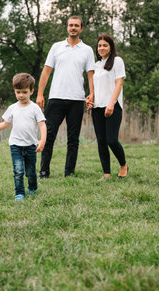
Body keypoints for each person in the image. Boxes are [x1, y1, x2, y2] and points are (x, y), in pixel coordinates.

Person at [36, 15, 95, 178]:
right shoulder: (56, 47)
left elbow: (91, 75)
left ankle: (69, 172)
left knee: (73, 139)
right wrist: (40, 94)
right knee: (48, 135)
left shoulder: (87, 50)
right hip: (56, 98)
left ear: (81, 28)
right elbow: (46, 72)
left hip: (77, 100)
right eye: (70, 25)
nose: (73, 28)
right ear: (67, 27)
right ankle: (44, 171)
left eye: (76, 25)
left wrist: (92, 94)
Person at [0, 73, 46, 201]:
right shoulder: (12, 108)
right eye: (18, 92)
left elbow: (42, 125)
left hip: (31, 146)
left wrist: (43, 140)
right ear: (14, 91)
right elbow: (5, 123)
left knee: (30, 172)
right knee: (18, 171)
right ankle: (20, 194)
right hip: (15, 146)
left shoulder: (35, 108)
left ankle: (32, 189)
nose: (21, 95)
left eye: (24, 92)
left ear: (31, 91)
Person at [86, 34, 128, 180]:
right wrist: (90, 97)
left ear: (111, 47)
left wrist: (111, 103)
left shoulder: (117, 61)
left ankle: (123, 165)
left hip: (112, 106)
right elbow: (95, 87)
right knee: (101, 141)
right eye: (99, 46)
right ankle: (107, 174)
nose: (101, 48)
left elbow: (119, 83)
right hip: (97, 107)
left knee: (111, 140)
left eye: (105, 45)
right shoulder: (96, 65)